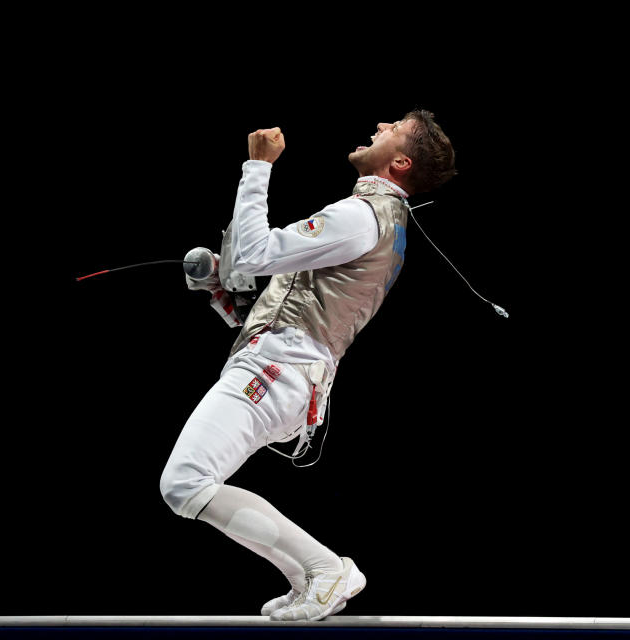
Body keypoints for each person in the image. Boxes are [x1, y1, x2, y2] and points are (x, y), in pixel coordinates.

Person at [160, 109, 456, 621]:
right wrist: (223, 297)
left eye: (394, 129)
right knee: (188, 484)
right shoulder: (376, 220)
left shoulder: (362, 216)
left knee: (185, 482)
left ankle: (324, 571)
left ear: (401, 161)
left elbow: (253, 254)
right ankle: (309, 578)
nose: (381, 125)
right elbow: (294, 313)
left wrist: (258, 167)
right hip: (283, 371)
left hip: (275, 372)